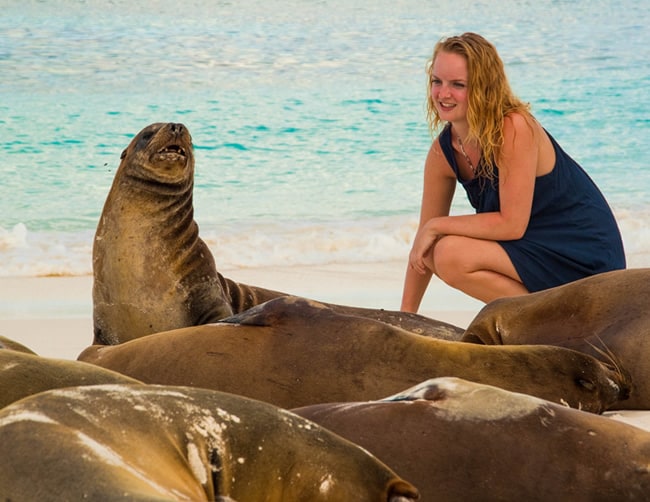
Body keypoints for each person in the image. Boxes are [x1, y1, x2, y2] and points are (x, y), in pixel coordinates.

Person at [401, 32, 626, 313]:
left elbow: (511, 224)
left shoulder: (514, 127)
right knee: (436, 252)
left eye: (458, 85)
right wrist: (404, 318)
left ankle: (541, 324)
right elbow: (421, 249)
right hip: (528, 251)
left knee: (447, 251)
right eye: (437, 81)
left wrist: (435, 226)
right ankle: (543, 322)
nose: (443, 94)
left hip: (581, 253)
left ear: (484, 87)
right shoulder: (442, 153)